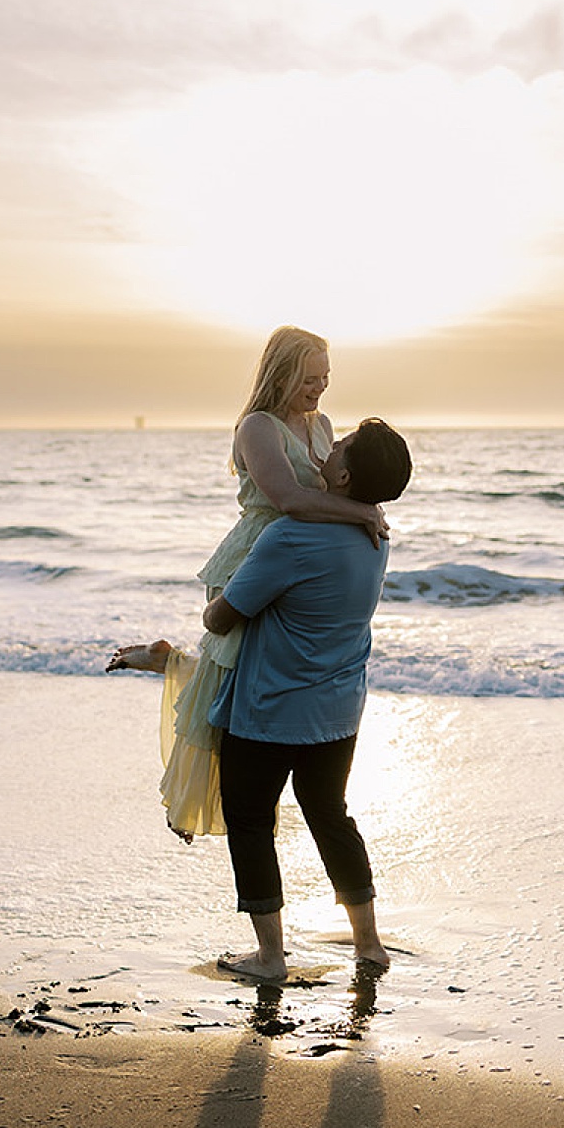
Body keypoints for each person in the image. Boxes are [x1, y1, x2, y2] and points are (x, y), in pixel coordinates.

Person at [108, 328, 386, 841]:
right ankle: (194, 796)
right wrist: (363, 512)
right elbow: (286, 498)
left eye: (326, 377)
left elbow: (330, 491)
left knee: (256, 674)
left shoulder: (322, 424)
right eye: (309, 379)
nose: (320, 388)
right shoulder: (258, 427)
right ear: (281, 375)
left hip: (300, 558)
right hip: (259, 555)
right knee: (234, 680)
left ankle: (167, 660)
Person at [201, 417, 413, 982]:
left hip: (270, 710)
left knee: (250, 819)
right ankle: (369, 944)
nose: (330, 443)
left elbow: (223, 618)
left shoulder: (290, 538)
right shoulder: (375, 535)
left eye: (341, 445)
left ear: (342, 476)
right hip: (339, 710)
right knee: (330, 816)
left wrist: (212, 603)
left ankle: (270, 957)